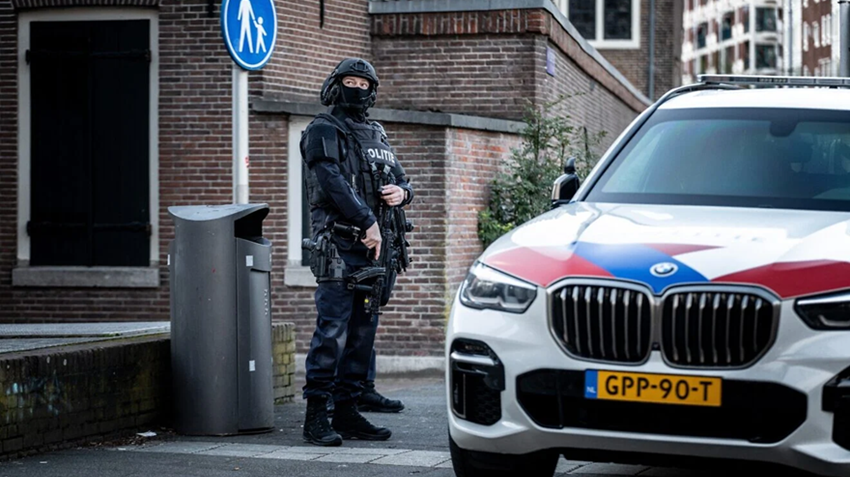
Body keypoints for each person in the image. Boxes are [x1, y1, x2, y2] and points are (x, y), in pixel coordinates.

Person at [300, 58, 414, 446]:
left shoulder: (377, 134)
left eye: (364, 84)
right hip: (340, 245)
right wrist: (367, 221)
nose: (357, 89)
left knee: (363, 333)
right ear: (336, 86)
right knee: (332, 331)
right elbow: (331, 182)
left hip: (376, 251)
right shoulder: (322, 129)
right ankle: (316, 415)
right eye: (350, 81)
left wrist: (403, 193)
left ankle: (348, 411)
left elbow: (401, 179)